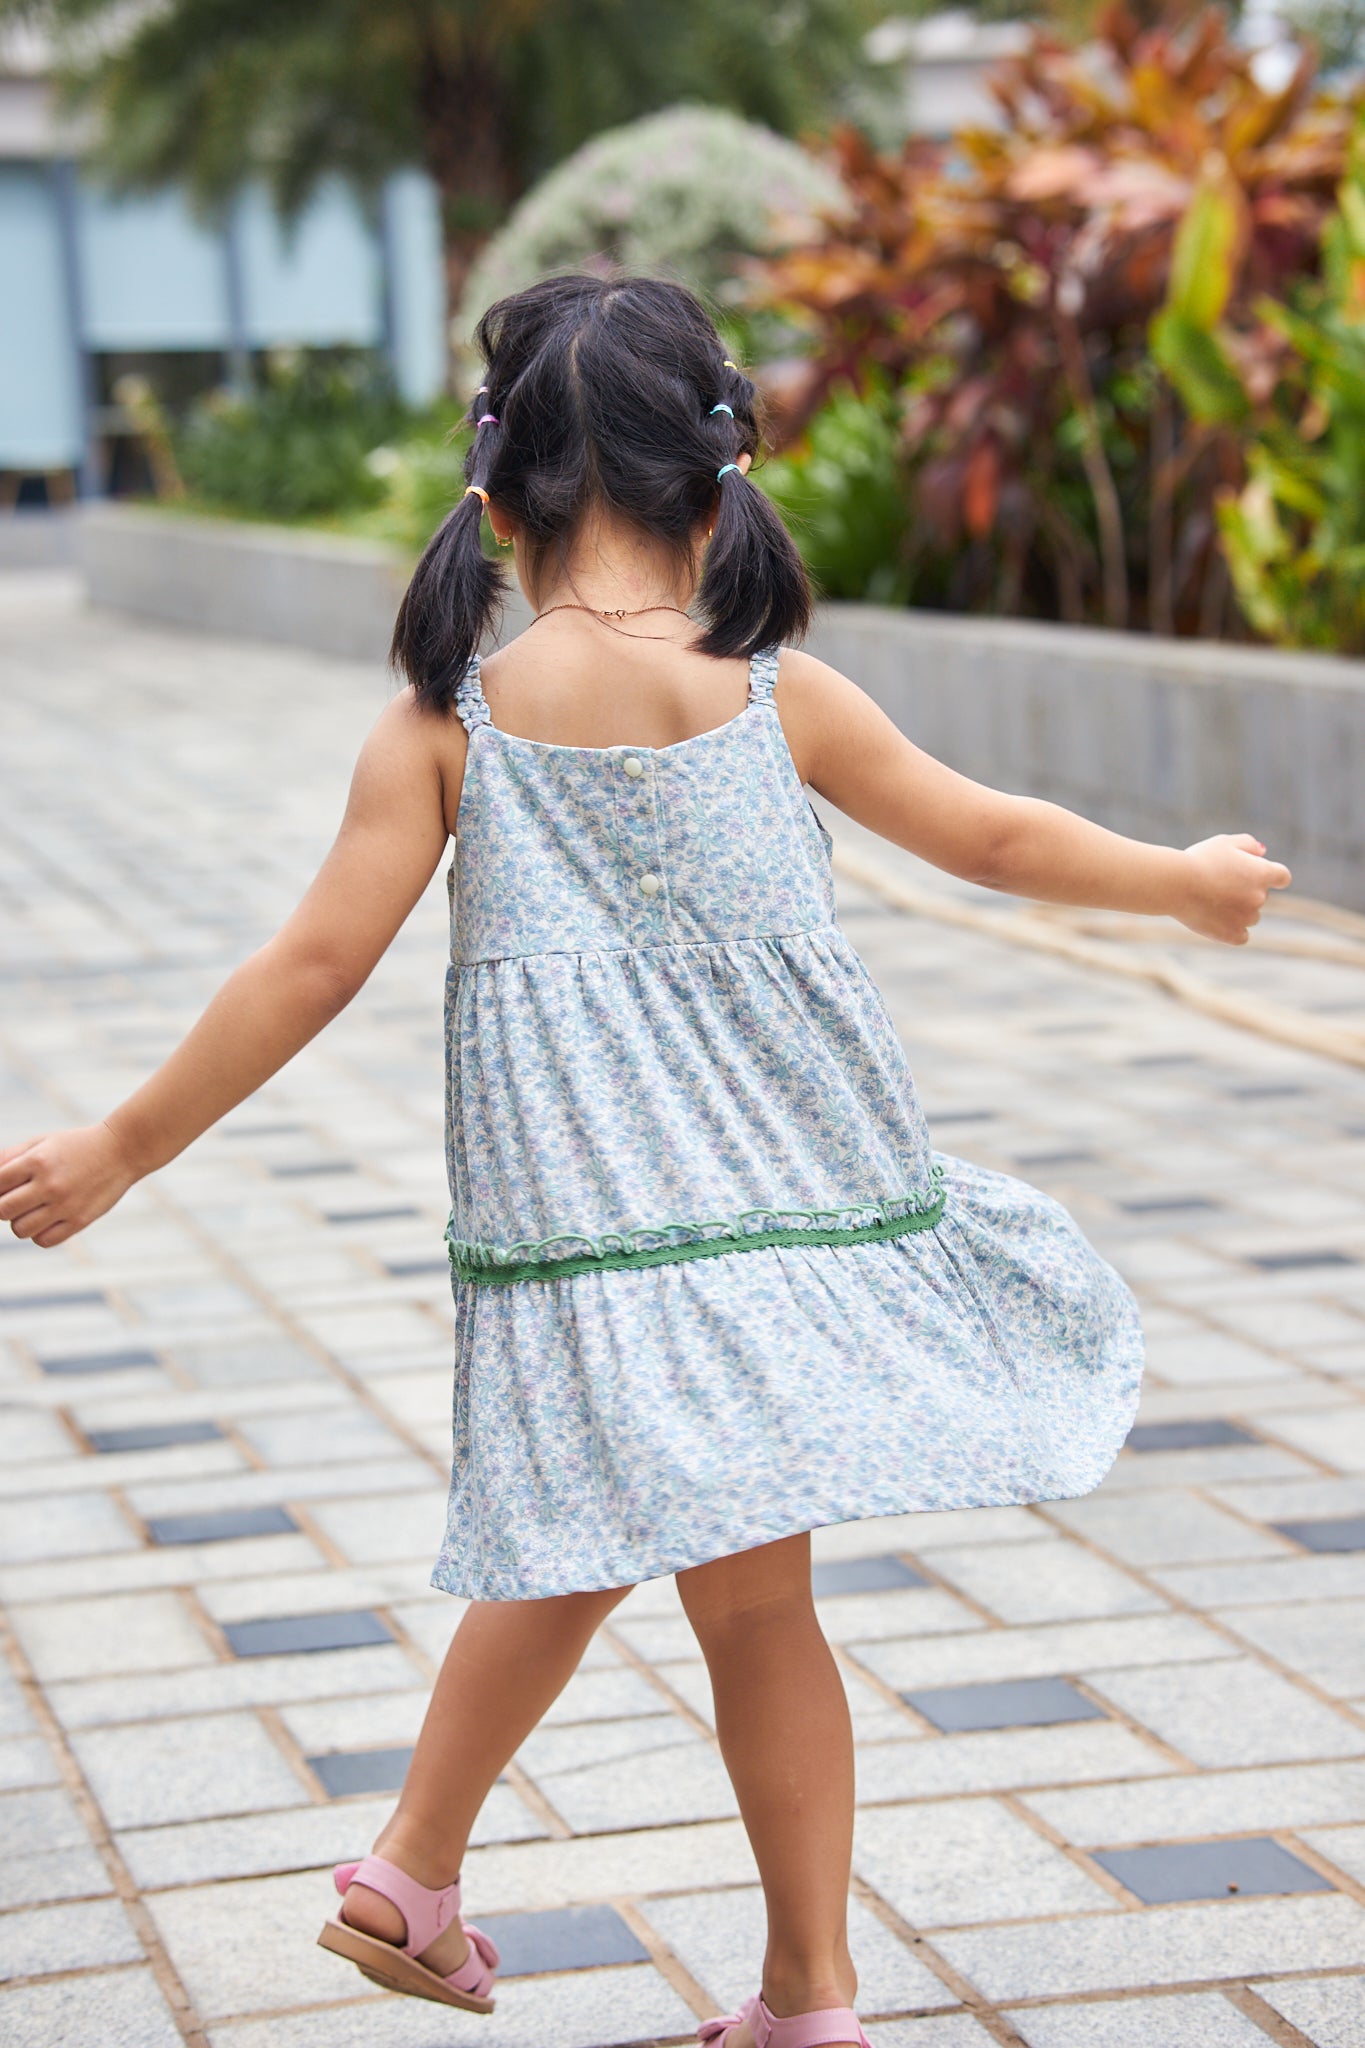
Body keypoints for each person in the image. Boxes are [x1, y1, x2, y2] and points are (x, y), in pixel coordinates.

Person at [0, 274, 1290, 2048]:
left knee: (587, 1550)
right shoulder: (777, 699)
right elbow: (989, 835)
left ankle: (446, 1876)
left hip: (584, 1247)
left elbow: (307, 966)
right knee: (753, 1608)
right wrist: (1178, 878)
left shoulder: (449, 725)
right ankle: (774, 1984)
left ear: (496, 488)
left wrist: (122, 1145)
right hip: (774, 1231)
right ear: (721, 480)